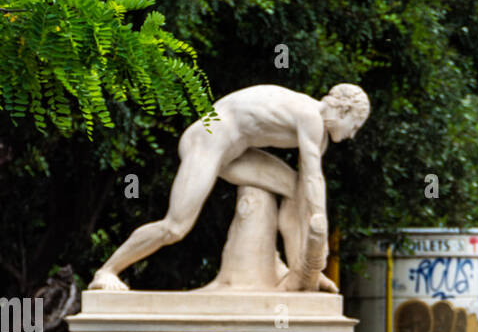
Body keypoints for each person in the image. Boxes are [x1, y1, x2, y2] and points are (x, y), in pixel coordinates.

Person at [89, 83, 371, 292]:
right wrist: (319, 229)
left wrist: (314, 261)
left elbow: (308, 187)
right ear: (343, 110)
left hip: (236, 153)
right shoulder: (311, 116)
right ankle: (106, 272)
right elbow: (314, 179)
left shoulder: (317, 133)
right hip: (208, 141)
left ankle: (302, 271)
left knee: (295, 191)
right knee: (175, 227)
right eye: (354, 125)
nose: (352, 134)